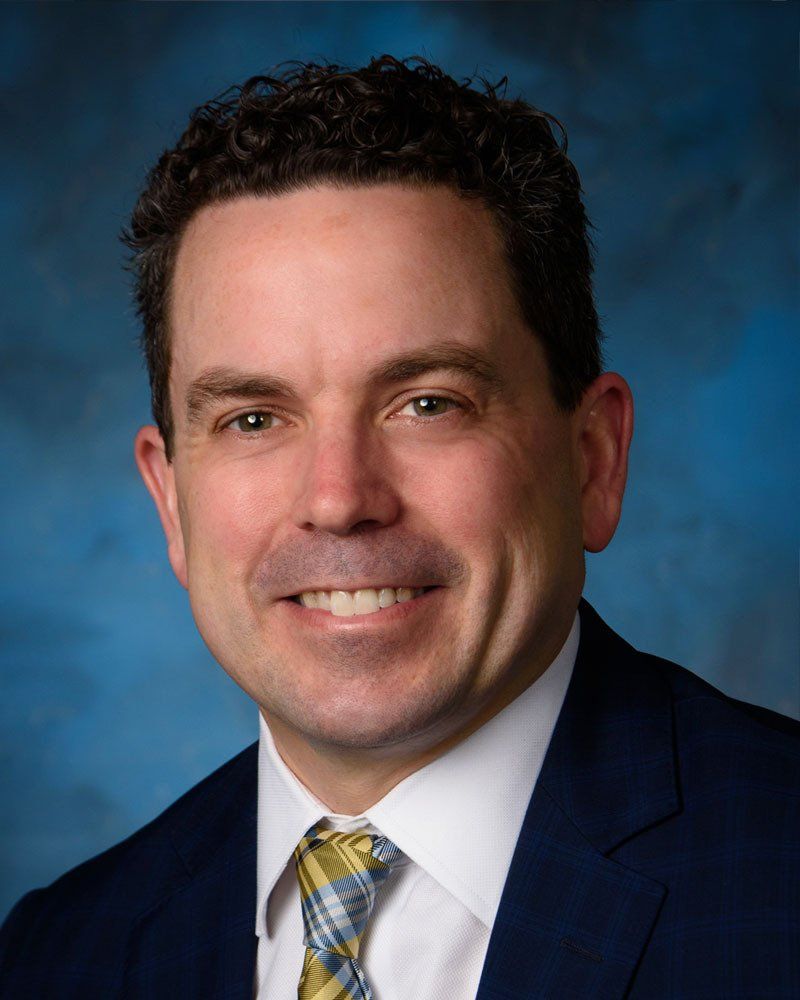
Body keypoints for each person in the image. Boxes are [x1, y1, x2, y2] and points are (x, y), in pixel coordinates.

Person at [1, 54, 797, 1000]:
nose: (340, 498)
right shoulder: (59, 956)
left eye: (427, 403)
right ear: (170, 500)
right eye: (253, 419)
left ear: (593, 459)